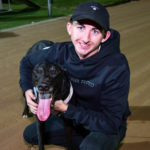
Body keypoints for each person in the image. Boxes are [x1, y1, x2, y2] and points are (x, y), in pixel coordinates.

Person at [19, 1, 131, 150]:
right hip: (72, 117)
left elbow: (110, 122)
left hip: (104, 123)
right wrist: (27, 89)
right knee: (31, 134)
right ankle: (81, 140)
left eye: (95, 31)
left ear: (105, 36)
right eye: (80, 27)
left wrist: (65, 109)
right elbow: (27, 62)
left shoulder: (116, 66)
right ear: (69, 28)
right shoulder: (60, 51)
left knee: (91, 147)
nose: (85, 38)